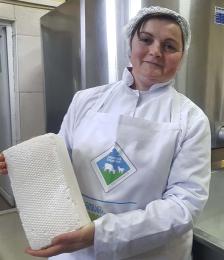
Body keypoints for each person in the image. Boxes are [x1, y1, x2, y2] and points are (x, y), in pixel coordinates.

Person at [0, 6, 211, 260]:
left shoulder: (191, 119)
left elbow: (183, 206)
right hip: (75, 250)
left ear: (181, 56)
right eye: (146, 39)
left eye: (169, 46)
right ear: (130, 42)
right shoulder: (86, 100)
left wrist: (100, 234)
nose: (155, 51)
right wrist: (29, 164)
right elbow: (59, 163)